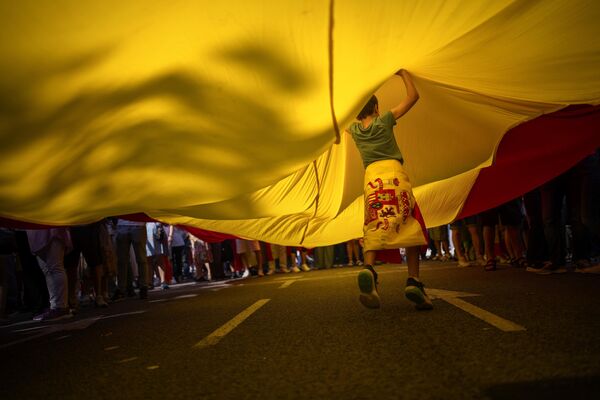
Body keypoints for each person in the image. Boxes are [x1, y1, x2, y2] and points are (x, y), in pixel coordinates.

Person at [346, 69, 432, 310]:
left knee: (375, 222)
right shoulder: (385, 120)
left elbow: (335, 122)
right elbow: (413, 97)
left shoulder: (354, 130)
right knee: (410, 222)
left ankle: (369, 269)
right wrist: (403, 73)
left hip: (372, 179)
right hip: (394, 176)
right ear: (376, 108)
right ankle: (414, 280)